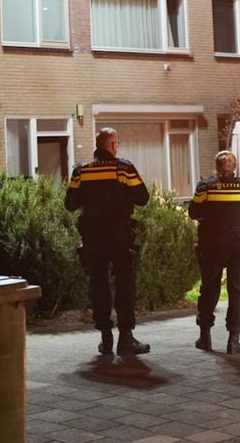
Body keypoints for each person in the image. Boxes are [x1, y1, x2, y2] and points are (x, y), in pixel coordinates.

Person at [65, 127, 151, 355]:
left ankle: (106, 338)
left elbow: (70, 204)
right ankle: (126, 338)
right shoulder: (123, 168)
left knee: (98, 285)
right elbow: (143, 198)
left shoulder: (81, 171)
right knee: (125, 284)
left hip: (93, 237)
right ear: (112, 146)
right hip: (120, 236)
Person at [189, 150, 240, 354]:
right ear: (234, 167)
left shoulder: (206, 187)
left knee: (209, 287)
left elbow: (193, 212)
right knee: (236, 289)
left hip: (213, 243)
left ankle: (205, 337)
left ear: (216, 167)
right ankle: (233, 340)